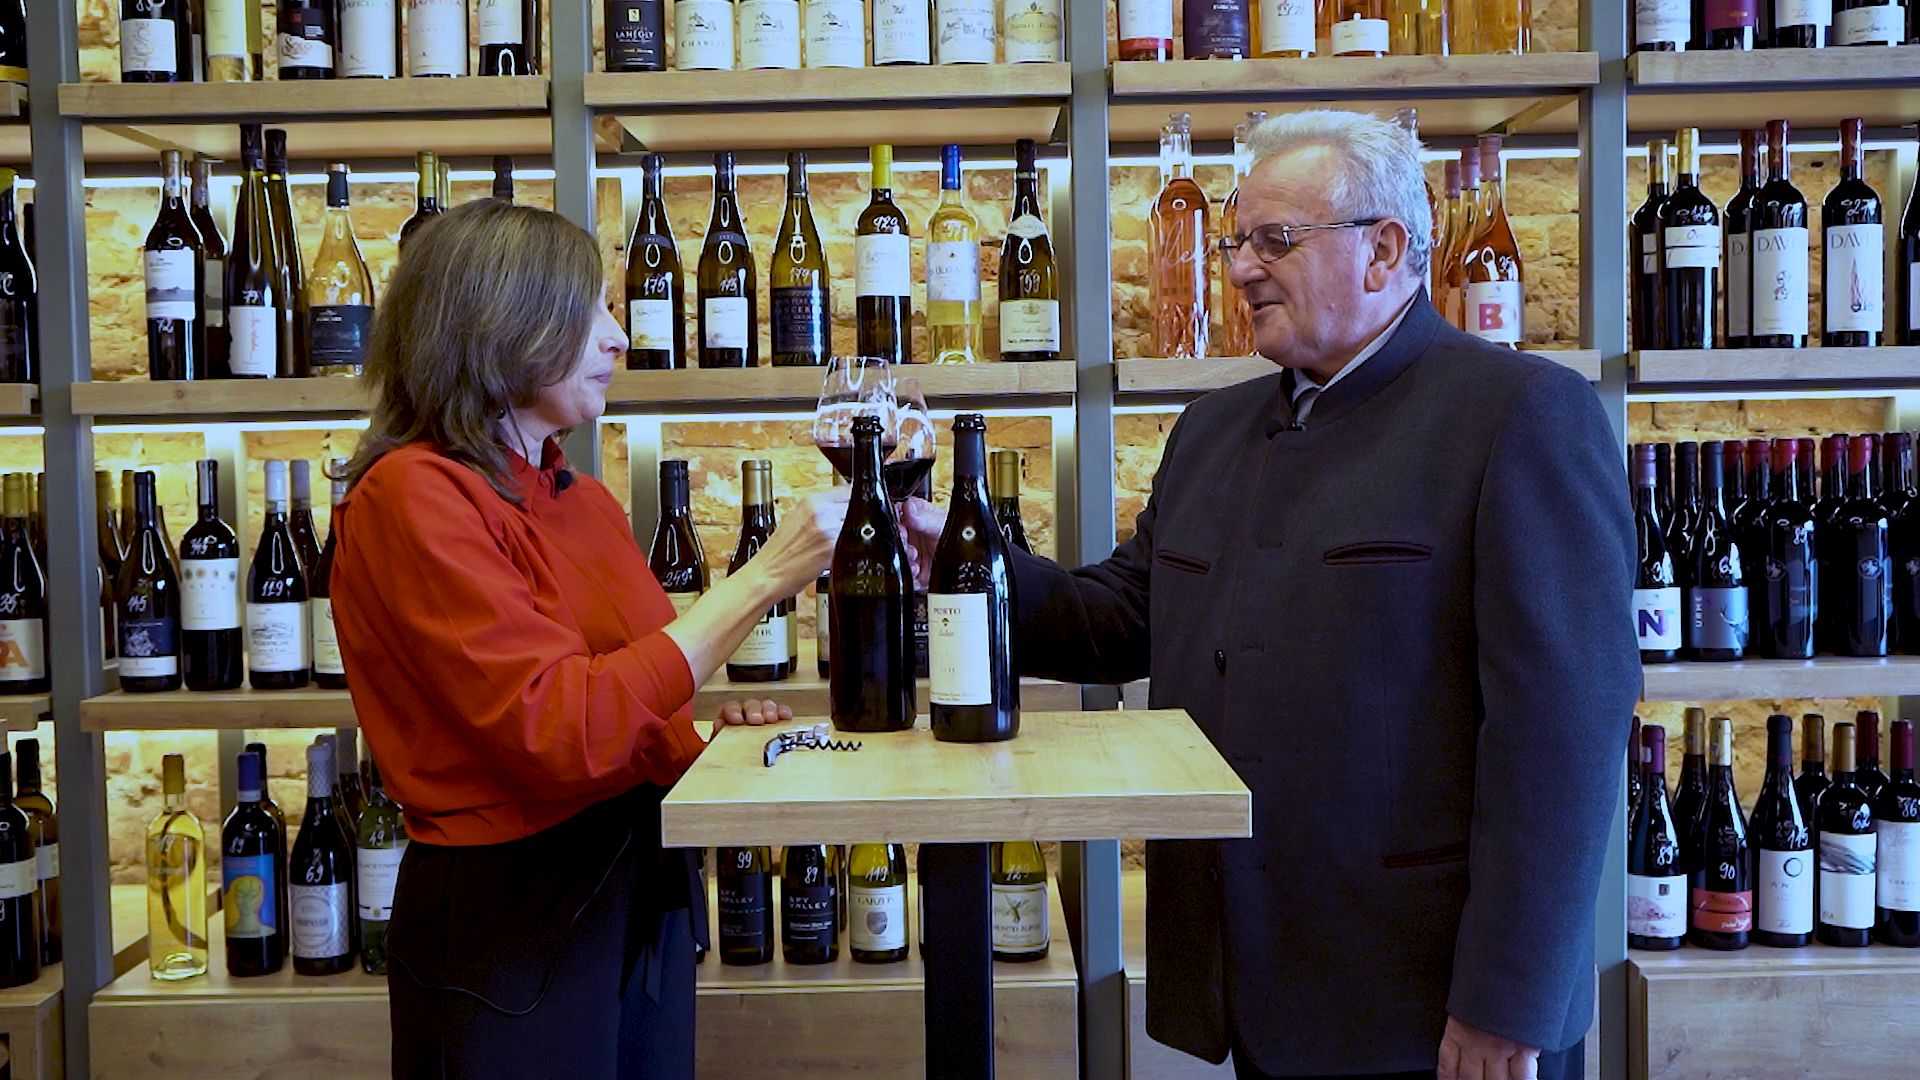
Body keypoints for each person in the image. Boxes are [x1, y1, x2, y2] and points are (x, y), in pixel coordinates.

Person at [899, 110, 1637, 1080]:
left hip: (1429, 1001)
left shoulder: (1521, 414)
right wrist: (967, 565)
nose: (1242, 267)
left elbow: (1564, 736)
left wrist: (1510, 1001)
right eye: (1237, 240)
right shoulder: (1211, 429)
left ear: (1384, 251)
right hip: (1252, 973)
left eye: (1275, 240)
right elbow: (1123, 621)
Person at [329, 200, 844, 1078]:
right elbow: (557, 729)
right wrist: (766, 576)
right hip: (514, 918)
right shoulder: (410, 496)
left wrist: (704, 750)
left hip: (636, 889)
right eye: (591, 311)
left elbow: (624, 707)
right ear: (501, 324)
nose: (619, 338)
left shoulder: (581, 498)